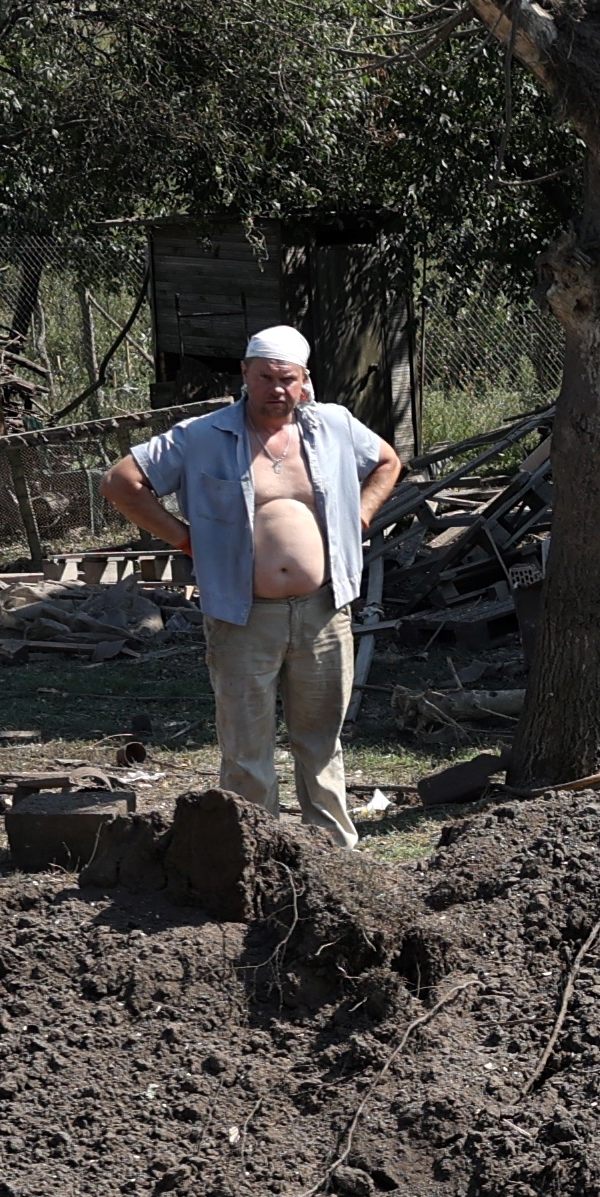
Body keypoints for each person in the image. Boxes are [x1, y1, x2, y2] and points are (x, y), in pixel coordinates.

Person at [104, 326, 402, 847]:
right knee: (246, 748)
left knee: (320, 739)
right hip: (242, 615)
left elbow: (387, 461)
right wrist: (182, 538)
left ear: (304, 380)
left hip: (323, 610)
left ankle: (331, 856)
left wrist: (361, 515)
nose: (276, 389)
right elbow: (121, 482)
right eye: (264, 377)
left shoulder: (333, 426)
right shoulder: (202, 435)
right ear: (244, 374)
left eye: (286, 378)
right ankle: (252, 854)